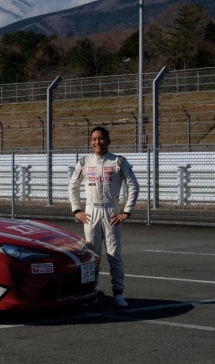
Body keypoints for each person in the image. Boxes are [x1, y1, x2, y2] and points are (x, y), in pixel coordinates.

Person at [68, 126, 139, 307]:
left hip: (111, 212)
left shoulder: (118, 161)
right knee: (91, 256)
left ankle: (119, 293)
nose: (97, 142)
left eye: (100, 138)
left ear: (108, 141)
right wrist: (77, 210)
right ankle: (91, 292)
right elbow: (72, 186)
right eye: (93, 139)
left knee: (114, 254)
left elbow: (134, 186)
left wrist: (126, 211)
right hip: (91, 213)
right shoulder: (84, 161)